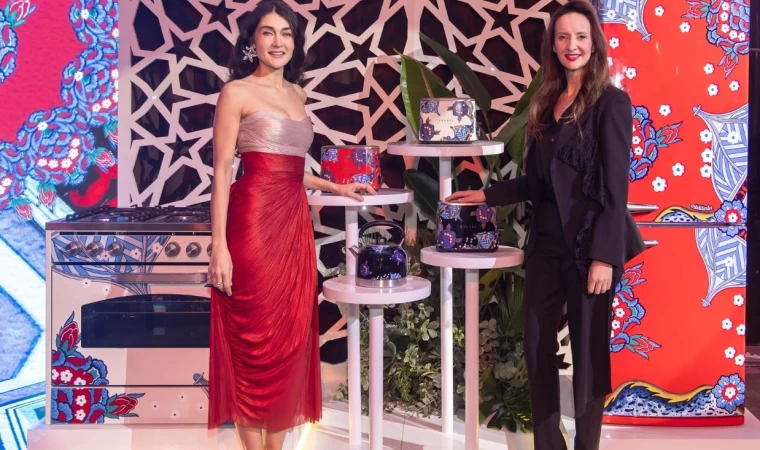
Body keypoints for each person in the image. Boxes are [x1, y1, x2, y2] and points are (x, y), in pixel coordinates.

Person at [447, 1, 645, 449]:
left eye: (580, 37)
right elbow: (537, 182)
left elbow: (615, 188)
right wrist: (486, 195)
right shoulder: (547, 101)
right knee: (537, 350)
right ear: (553, 45)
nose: (572, 45)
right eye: (563, 37)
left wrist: (604, 257)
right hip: (545, 247)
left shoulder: (611, 102)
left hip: (589, 250)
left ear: (594, 43)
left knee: (589, 358)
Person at [206, 2, 376, 449]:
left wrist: (335, 187)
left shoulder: (298, 95)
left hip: (295, 225)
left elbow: (289, 168)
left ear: (295, 43)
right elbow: (222, 171)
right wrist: (219, 245)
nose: (277, 41)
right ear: (253, 41)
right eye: (268, 32)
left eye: (286, 33)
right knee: (254, 339)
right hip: (253, 224)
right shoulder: (236, 92)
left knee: (287, 338)